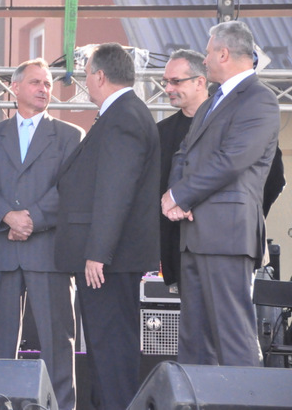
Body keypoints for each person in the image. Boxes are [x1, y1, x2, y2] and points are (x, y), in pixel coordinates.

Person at [163, 21, 279, 367]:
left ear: (224, 53)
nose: (205, 59)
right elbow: (183, 152)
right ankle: (199, 397)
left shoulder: (259, 99)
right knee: (194, 340)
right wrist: (176, 198)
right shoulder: (213, 101)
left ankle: (248, 397)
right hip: (194, 233)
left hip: (227, 235)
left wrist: (180, 196)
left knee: (232, 336)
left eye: (208, 52)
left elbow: (232, 160)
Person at [55, 43, 160, 410]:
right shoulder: (121, 114)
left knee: (112, 351)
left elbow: (115, 190)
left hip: (109, 262)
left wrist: (98, 252)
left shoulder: (124, 117)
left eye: (87, 76)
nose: (86, 83)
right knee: (104, 351)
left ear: (100, 76)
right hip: (110, 260)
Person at [0, 59, 82, 410]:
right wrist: (8, 217)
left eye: (48, 83)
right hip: (2, 251)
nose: (44, 89)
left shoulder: (69, 135)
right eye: (36, 82)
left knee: (57, 342)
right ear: (15, 87)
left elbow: (70, 189)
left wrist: (31, 219)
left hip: (48, 251)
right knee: (1, 344)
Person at [156, 50, 208, 288]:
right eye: (166, 82)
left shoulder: (231, 122)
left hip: (223, 244)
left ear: (200, 82)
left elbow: (271, 180)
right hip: (176, 251)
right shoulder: (160, 133)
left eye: (176, 81)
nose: (168, 88)